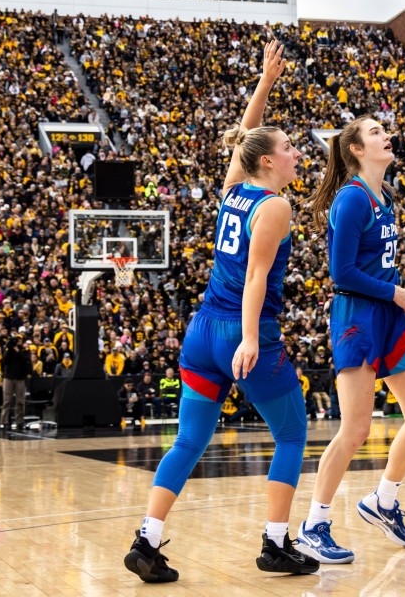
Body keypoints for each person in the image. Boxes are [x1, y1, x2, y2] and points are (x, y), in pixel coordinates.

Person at [124, 40, 317, 583]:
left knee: (189, 440)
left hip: (202, 329)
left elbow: (243, 136)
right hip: (240, 328)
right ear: (267, 161)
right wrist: (253, 340)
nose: (296, 153)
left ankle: (147, 539)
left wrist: (264, 83)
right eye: (288, 147)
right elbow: (257, 277)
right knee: (292, 434)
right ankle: (277, 544)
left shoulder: (233, 191)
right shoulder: (275, 205)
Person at [295, 115, 405, 564]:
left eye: (384, 130)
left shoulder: (384, 196)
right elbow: (341, 273)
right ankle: (314, 525)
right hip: (357, 314)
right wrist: (393, 290)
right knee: (355, 429)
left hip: (390, 316)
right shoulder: (352, 199)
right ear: (355, 148)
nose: (386, 135)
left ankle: (383, 500)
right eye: (375, 132)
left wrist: (393, 295)